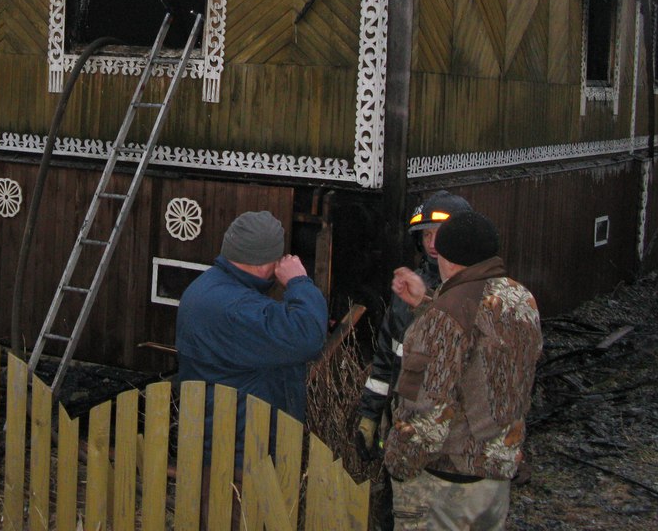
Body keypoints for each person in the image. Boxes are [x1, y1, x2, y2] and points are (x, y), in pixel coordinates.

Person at [384, 208, 542, 531]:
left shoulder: (445, 318)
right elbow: (479, 345)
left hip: (446, 488)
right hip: (495, 482)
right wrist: (428, 302)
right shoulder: (519, 299)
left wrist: (396, 463)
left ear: (448, 258)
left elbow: (427, 412)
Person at [175, 209, 328, 469]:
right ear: (260, 262)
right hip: (240, 450)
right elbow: (308, 335)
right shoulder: (237, 308)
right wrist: (298, 281)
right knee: (236, 509)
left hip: (216, 438)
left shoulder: (208, 287)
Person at [356, 191, 469, 529]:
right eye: (427, 235)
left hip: (454, 444)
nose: (433, 243)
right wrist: (369, 415)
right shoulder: (407, 291)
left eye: (441, 234)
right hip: (404, 433)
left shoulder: (480, 295)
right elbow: (385, 360)